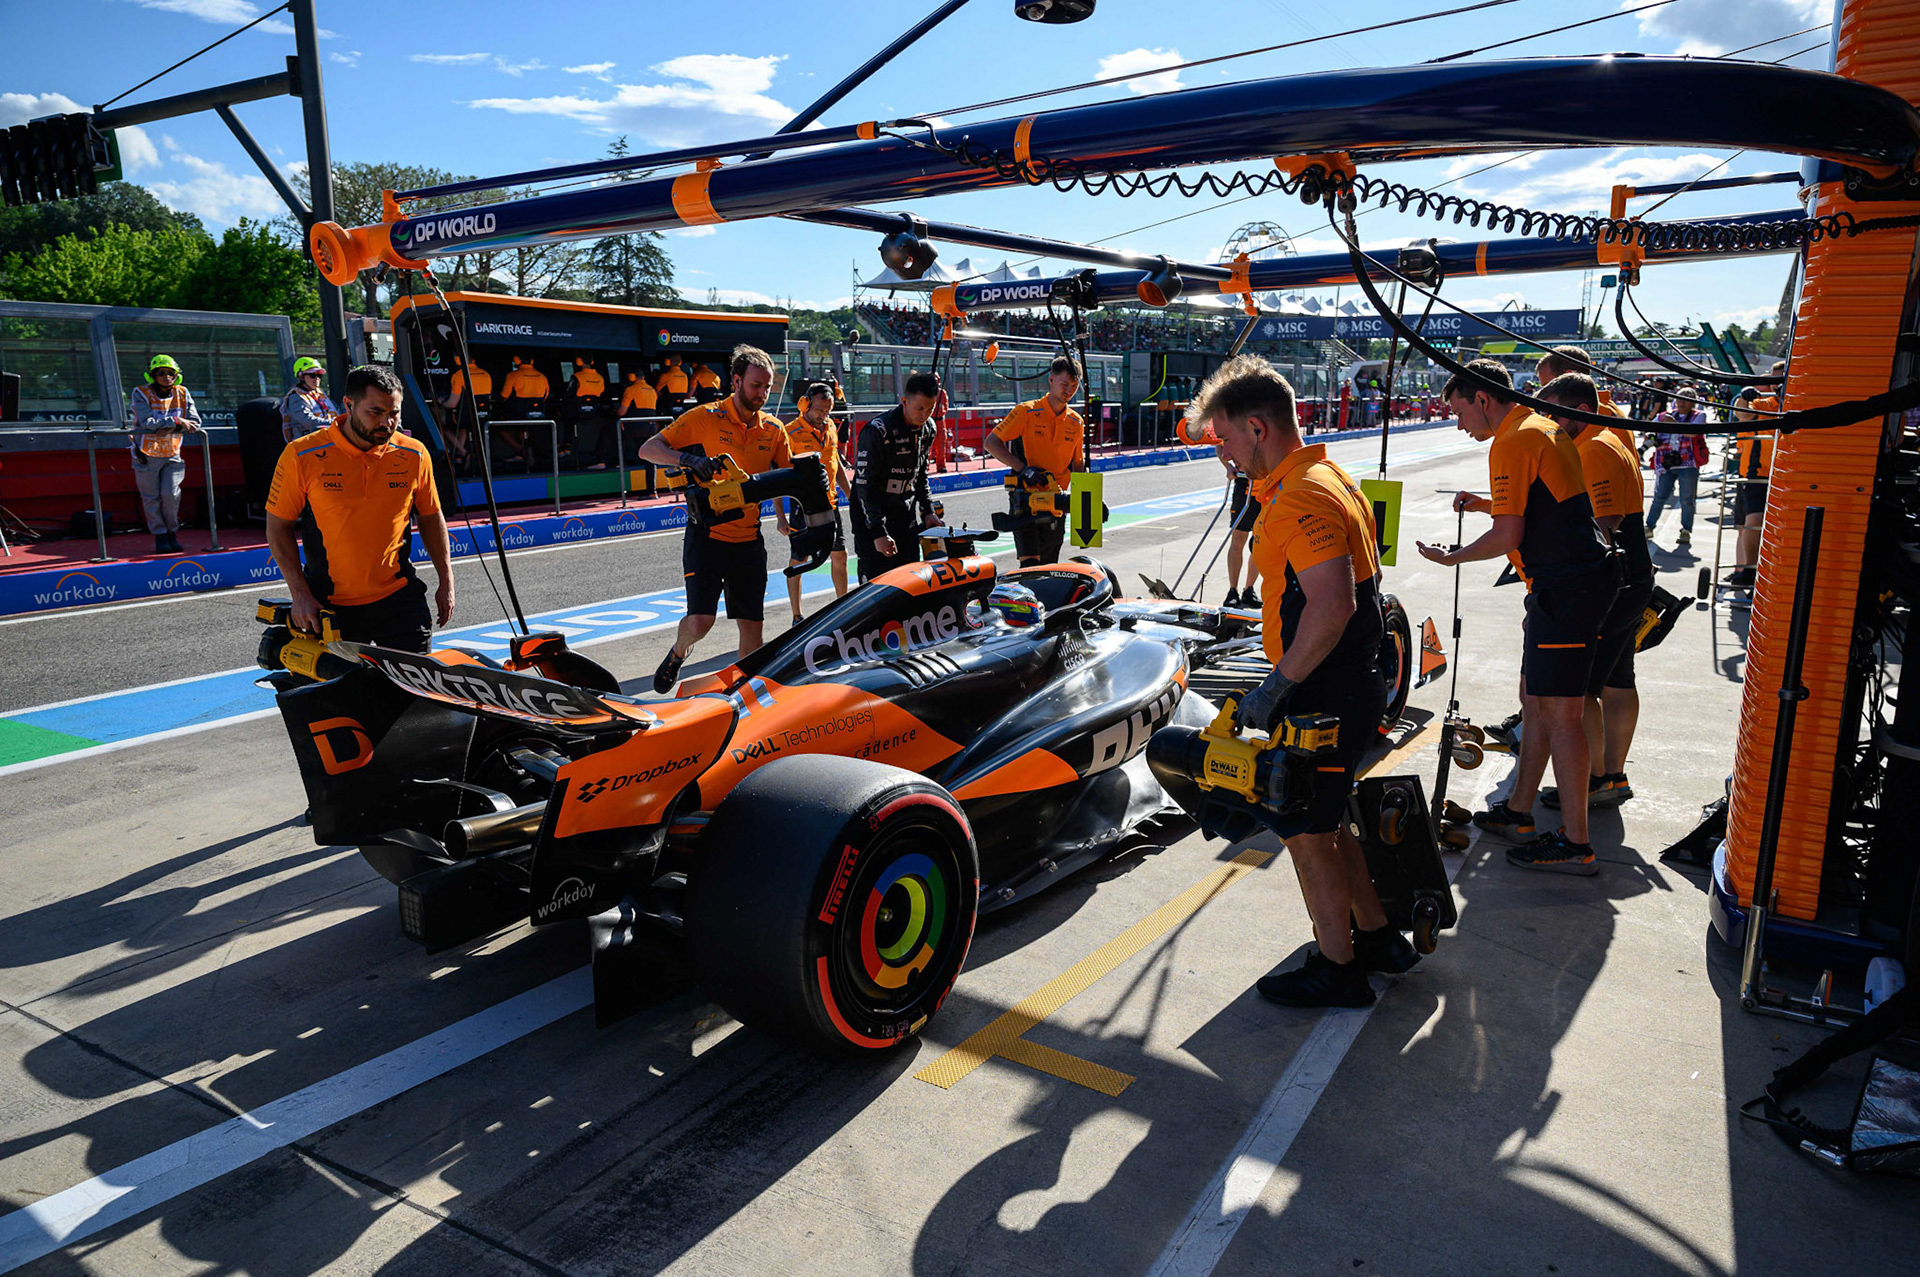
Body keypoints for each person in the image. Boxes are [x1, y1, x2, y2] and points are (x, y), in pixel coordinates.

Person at [1188, 354, 1414, 1007]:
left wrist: (1274, 688)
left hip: (1324, 690)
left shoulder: (1302, 496)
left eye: (1226, 438)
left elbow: (1333, 604)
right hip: (1346, 682)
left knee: (1307, 834)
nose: (1225, 454)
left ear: (1258, 427)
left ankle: (1338, 968)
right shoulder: (1324, 474)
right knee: (1328, 821)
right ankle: (1375, 935)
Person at [1417, 359, 1616, 874]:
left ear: (1482, 399)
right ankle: (1520, 813)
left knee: (1560, 714)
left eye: (1459, 411)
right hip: (1566, 584)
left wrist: (1452, 557)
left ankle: (1575, 843)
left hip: (1566, 589)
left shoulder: (1512, 440)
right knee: (1535, 702)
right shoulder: (1537, 425)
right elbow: (1542, 505)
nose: (1459, 424)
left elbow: (1510, 536)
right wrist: (1486, 504)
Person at [265, 365, 453, 652]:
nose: (387, 423)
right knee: (341, 696)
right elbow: (278, 527)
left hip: (400, 599)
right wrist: (300, 594)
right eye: (375, 412)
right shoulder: (302, 454)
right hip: (330, 606)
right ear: (349, 405)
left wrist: (446, 579)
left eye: (394, 413)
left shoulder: (414, 453)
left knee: (415, 695)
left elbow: (430, 516)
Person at [638, 345, 792, 692]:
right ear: (736, 381)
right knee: (700, 622)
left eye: (767, 387)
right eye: (756, 385)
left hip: (750, 541)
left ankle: (742, 698)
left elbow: (786, 478)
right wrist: (688, 461)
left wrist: (785, 519)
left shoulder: (774, 429)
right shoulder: (706, 416)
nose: (762, 394)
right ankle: (678, 653)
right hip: (707, 537)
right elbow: (648, 449)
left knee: (753, 630)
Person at [1536, 373, 1651, 811]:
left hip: (1613, 579)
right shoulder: (1601, 438)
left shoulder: (1596, 448)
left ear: (1581, 411)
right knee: (1618, 679)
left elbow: (1604, 522)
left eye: (1554, 413)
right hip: (1630, 574)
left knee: (1580, 685)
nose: (1548, 422)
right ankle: (1612, 775)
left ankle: (1595, 778)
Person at [984, 355, 1085, 567]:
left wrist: (1086, 506)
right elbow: (991, 443)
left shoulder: (1077, 421)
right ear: (1051, 380)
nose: (1069, 391)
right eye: (1064, 384)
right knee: (1030, 566)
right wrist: (1024, 470)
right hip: (1025, 497)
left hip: (1057, 501)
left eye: (1074, 386)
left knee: (1049, 566)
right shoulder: (1026, 411)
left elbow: (1077, 465)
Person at [852, 371, 942, 582]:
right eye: (919, 408)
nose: (924, 414)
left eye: (930, 409)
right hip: (871, 513)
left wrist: (927, 510)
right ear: (904, 401)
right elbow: (865, 487)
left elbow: (920, 474)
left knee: (909, 579)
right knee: (875, 586)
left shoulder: (929, 429)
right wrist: (877, 532)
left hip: (904, 511)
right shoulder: (878, 430)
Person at [781, 380, 853, 623]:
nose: (824, 415)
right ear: (805, 405)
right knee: (799, 560)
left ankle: (842, 608)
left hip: (831, 504)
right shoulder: (789, 433)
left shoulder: (831, 425)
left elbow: (837, 462)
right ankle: (796, 615)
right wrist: (780, 517)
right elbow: (777, 474)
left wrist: (850, 493)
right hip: (803, 507)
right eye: (819, 409)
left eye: (828, 410)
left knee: (840, 555)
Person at [128, 354, 202, 555]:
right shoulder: (140, 392)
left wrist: (168, 427)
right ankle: (160, 535)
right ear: (153, 375)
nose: (166, 376)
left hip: (172, 454)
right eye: (161, 373)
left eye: (171, 373)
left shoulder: (183, 392)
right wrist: (178, 422)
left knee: (171, 494)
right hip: (146, 454)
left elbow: (195, 422)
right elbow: (147, 423)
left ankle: (172, 532)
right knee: (151, 498)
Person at [1535, 344, 1635, 451]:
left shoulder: (1592, 414)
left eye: (1547, 385)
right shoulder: (1608, 409)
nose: (1544, 392)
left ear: (1569, 375)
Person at [1646, 390, 1708, 547]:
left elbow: (1694, 433)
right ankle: (1649, 526)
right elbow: (1648, 432)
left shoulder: (1699, 415)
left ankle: (1686, 531)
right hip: (1666, 463)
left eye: (1687, 400)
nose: (1682, 403)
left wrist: (1672, 423)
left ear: (1693, 402)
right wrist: (1652, 435)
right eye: (1679, 399)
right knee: (1659, 497)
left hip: (1688, 464)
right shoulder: (1663, 416)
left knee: (1687, 499)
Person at [1216, 443, 1262, 610]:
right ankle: (1232, 590)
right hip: (1245, 485)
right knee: (1238, 540)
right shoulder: (1240, 425)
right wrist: (1228, 467)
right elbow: (1220, 446)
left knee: (1258, 543)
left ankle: (1249, 589)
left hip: (1266, 489)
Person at [496, 355, 550, 469]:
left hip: (517, 415)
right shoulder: (542, 376)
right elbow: (545, 397)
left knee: (498, 426)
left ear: (517, 361)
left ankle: (522, 451)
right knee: (525, 427)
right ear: (532, 361)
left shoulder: (513, 375)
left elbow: (504, 397)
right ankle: (525, 452)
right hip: (537, 414)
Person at [441, 356, 491, 474]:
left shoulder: (459, 375)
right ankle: (459, 456)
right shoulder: (486, 375)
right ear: (473, 360)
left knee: (443, 427)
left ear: (458, 360)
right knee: (463, 426)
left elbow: (452, 404)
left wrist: (442, 402)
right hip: (483, 417)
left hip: (465, 417)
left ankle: (464, 453)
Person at [618, 370, 661, 492]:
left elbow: (622, 412)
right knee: (649, 457)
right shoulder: (652, 390)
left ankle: (605, 461)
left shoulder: (631, 389)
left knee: (610, 432)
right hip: (651, 426)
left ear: (632, 376)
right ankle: (652, 490)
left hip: (636, 427)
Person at [564, 354, 610, 470]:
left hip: (576, 413)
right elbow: (602, 394)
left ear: (580, 361)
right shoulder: (600, 377)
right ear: (593, 361)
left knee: (565, 416)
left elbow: (569, 394)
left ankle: (565, 447)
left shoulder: (576, 376)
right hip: (595, 412)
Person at [279, 357, 336, 444]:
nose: (317, 379)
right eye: (312, 375)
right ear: (301, 376)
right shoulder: (296, 397)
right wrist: (334, 422)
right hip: (307, 444)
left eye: (319, 375)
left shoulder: (320, 393)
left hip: (326, 439)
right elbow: (308, 421)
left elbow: (336, 410)